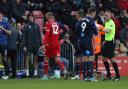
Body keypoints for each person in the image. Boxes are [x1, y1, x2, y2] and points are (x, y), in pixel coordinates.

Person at [42, 12, 68, 80]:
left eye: (46, 18)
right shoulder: (57, 24)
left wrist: (44, 45)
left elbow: (46, 35)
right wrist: (59, 37)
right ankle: (65, 71)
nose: (46, 19)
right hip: (57, 44)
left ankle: (45, 76)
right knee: (57, 59)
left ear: (48, 17)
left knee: (46, 59)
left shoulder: (48, 24)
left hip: (50, 44)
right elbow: (63, 30)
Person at [75, 8, 98, 81]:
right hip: (87, 41)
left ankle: (85, 77)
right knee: (90, 58)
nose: (95, 15)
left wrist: (80, 38)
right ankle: (91, 77)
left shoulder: (81, 20)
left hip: (80, 41)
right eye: (95, 13)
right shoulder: (91, 21)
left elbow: (77, 30)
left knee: (84, 58)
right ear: (93, 12)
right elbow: (96, 32)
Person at [101, 11, 120, 81]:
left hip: (110, 43)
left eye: (106, 15)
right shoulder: (106, 22)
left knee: (112, 59)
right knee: (103, 58)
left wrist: (100, 28)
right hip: (106, 42)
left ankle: (118, 75)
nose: (105, 16)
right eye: (104, 15)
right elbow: (107, 33)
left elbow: (108, 31)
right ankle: (109, 75)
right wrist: (105, 40)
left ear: (110, 16)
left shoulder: (111, 23)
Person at [23, 13, 42, 77]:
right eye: (30, 17)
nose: (31, 18)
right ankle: (27, 73)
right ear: (28, 18)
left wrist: (40, 44)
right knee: (27, 58)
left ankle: (35, 73)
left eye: (32, 17)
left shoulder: (37, 25)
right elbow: (24, 37)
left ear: (33, 18)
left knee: (36, 58)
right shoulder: (26, 26)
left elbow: (39, 35)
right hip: (28, 45)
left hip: (36, 45)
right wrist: (24, 45)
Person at [0, 11, 11, 79]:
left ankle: (8, 73)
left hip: (3, 43)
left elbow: (10, 33)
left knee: (4, 59)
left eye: (0, 16)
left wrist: (2, 28)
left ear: (2, 16)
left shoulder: (5, 23)